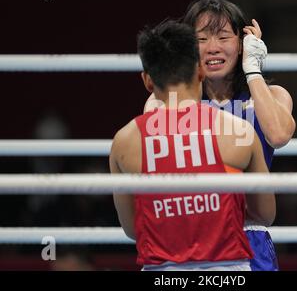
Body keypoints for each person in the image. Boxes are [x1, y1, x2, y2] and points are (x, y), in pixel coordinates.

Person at [110, 20, 275, 271]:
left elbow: (133, 229)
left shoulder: (124, 142)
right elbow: (264, 214)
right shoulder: (239, 132)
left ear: (147, 81)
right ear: (200, 72)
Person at [182, 0, 296, 271]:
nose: (212, 48)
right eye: (201, 39)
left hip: (249, 234)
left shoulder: (274, 96)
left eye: (223, 37)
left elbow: (279, 135)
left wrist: (253, 69)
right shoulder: (172, 102)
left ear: (242, 44)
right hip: (190, 235)